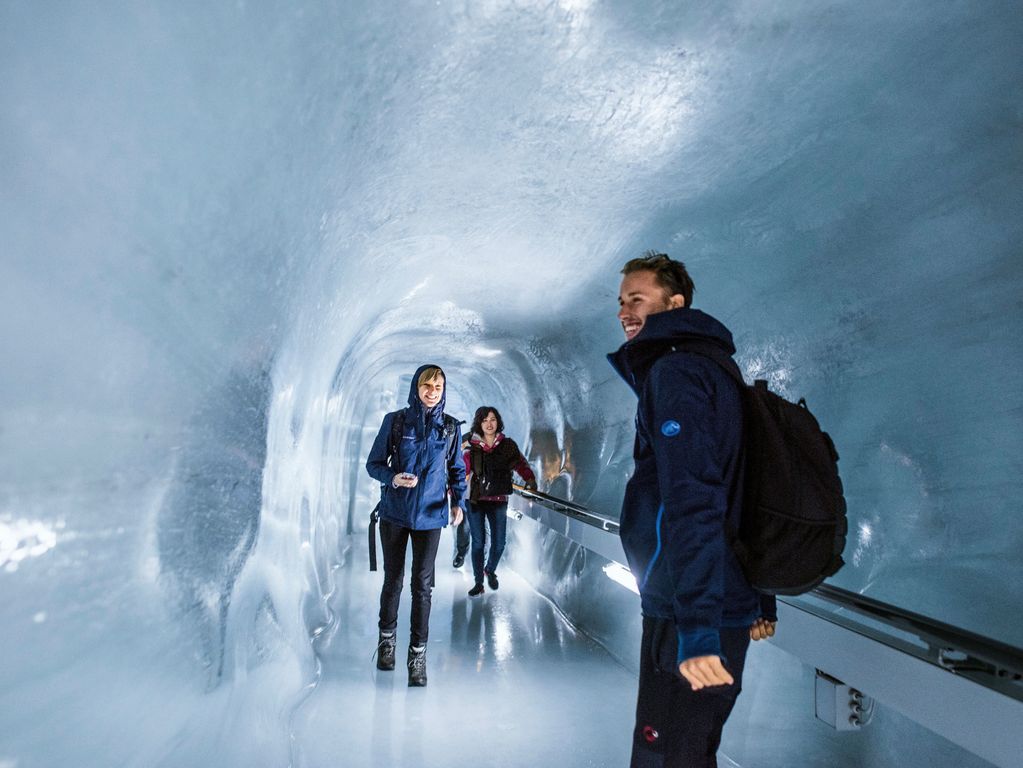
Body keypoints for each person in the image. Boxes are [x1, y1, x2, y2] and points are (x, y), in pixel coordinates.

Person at [607, 252, 778, 767]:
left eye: (637, 299)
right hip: (721, 599)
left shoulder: (675, 374)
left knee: (663, 759)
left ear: (674, 303)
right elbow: (749, 490)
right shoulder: (719, 369)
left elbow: (694, 499)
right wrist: (760, 598)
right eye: (620, 302)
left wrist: (698, 629)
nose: (624, 312)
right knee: (693, 753)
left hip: (686, 607)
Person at [365, 364, 466, 687]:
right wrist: (393, 477)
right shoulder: (395, 422)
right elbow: (374, 464)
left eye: (437, 386)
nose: (432, 391)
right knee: (393, 580)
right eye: (427, 385)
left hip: (430, 517)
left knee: (422, 586)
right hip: (395, 513)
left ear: (443, 390)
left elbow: (457, 471)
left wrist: (458, 503)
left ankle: (417, 656)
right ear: (416, 387)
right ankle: (386, 643)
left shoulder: (450, 429)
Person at [462, 406, 537, 597]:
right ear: (479, 423)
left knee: (499, 543)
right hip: (475, 500)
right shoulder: (471, 444)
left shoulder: (507, 445)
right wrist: (454, 488)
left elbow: (520, 463)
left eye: (493, 419)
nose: (489, 423)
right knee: (478, 542)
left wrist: (529, 478)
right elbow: (461, 467)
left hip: (498, 499)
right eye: (485, 420)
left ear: (498, 422)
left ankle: (490, 569)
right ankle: (479, 582)